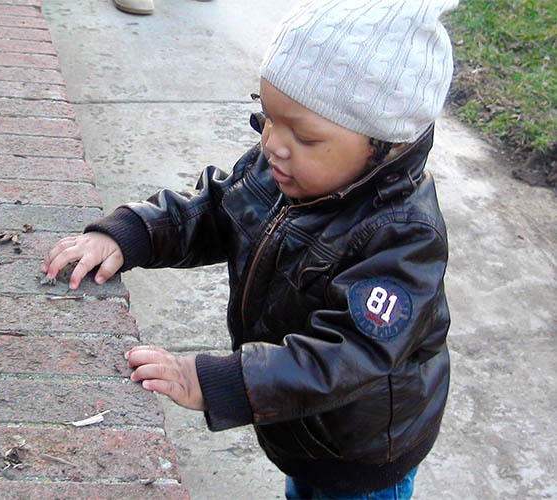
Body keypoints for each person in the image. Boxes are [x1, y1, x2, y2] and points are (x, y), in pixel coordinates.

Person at [42, 0, 457, 498]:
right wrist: (129, 233)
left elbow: (350, 354)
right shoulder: (286, 168)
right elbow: (216, 210)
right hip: (300, 428)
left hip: (357, 453)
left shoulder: (403, 234)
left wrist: (225, 382)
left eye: (303, 134)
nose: (273, 145)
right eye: (268, 118)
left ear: (384, 144)